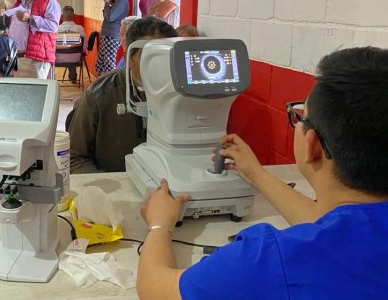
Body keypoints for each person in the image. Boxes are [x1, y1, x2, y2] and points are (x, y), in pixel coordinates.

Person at [137, 46, 388, 300]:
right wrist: (256, 174)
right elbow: (337, 227)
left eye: (300, 117)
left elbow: (154, 289)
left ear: (311, 145)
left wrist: (159, 224)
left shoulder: (270, 259)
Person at [69, 17, 177, 173]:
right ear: (129, 57)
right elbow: (74, 157)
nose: (156, 67)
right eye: (148, 57)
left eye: (163, 58)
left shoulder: (183, 98)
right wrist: (113, 189)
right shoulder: (99, 94)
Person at [3, 0, 61, 79]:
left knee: (35, 94)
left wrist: (30, 19)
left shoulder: (48, 0)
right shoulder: (19, 1)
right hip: (17, 57)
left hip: (36, 59)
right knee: (20, 94)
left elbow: (53, 26)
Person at [95, 0, 129, 76]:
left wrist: (106, 3)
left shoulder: (122, 2)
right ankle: (103, 86)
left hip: (112, 35)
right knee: (100, 64)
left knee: (109, 64)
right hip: (106, 35)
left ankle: (111, 86)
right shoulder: (114, 3)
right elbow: (106, 16)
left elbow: (110, 17)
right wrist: (108, 3)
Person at [57, 5, 86, 83]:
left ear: (62, 16)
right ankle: (73, 77)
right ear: (73, 16)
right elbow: (84, 48)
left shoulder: (56, 29)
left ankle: (52, 79)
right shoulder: (80, 29)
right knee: (72, 53)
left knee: (65, 52)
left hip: (58, 58)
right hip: (76, 59)